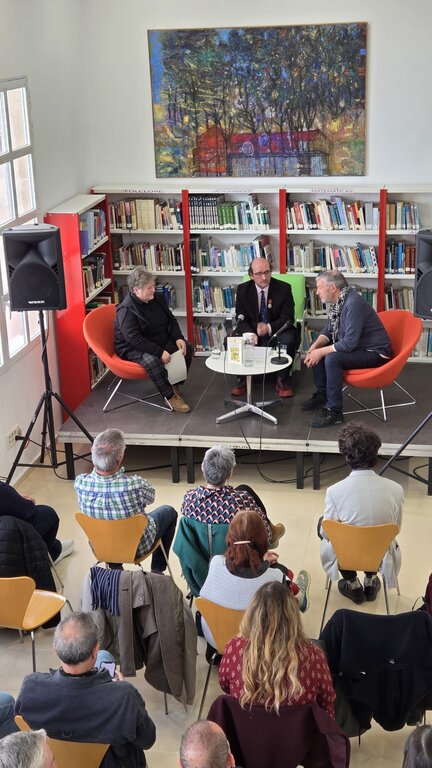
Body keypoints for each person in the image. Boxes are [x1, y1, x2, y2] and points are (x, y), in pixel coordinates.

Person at [15, 612, 156, 768]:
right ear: (94, 650)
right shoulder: (124, 697)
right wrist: (120, 689)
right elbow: (147, 740)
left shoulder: (30, 688)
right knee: (105, 658)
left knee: (105, 657)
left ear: (55, 648)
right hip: (111, 763)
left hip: (57, 762)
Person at [219, 581, 335, 717]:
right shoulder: (313, 656)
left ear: (252, 614)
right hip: (299, 735)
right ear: (293, 617)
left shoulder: (234, 648)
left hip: (247, 733)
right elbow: (327, 703)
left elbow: (224, 685)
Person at [200, 511, 310, 650]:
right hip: (259, 647)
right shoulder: (274, 578)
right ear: (263, 542)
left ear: (229, 539)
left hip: (217, 640)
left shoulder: (215, 562)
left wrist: (261, 560)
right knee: (286, 582)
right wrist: (262, 560)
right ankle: (300, 594)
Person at [319, 422, 403, 604]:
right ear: (375, 454)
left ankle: (352, 583)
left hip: (346, 555)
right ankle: (371, 580)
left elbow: (327, 533)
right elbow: (396, 528)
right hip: (378, 554)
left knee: (325, 525)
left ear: (346, 456)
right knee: (376, 531)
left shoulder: (334, 491)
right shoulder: (396, 490)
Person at [75, 428, 177, 572]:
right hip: (137, 548)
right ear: (119, 459)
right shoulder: (135, 485)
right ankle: (157, 571)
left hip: (102, 548)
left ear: (92, 451)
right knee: (169, 512)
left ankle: (115, 566)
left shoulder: (80, 483)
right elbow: (151, 498)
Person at [301, 270, 392, 427]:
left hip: (375, 352)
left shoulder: (352, 304)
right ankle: (324, 395)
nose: (316, 292)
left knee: (332, 358)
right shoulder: (339, 301)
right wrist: (315, 347)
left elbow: (349, 343)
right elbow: (329, 330)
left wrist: (321, 352)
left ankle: (335, 411)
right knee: (321, 350)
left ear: (332, 288)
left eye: (319, 287)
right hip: (360, 348)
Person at [114, 266, 193, 413]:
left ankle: (174, 384)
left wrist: (178, 337)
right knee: (153, 361)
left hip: (157, 339)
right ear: (136, 290)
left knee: (186, 348)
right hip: (133, 347)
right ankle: (170, 396)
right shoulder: (126, 310)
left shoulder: (158, 298)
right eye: (149, 287)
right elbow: (134, 339)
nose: (153, 290)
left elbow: (171, 320)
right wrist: (159, 352)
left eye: (153, 286)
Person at [180, 445, 283, 546]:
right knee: (244, 490)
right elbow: (264, 534)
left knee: (243, 488)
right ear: (229, 475)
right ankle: (273, 530)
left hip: (200, 557)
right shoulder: (241, 501)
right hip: (234, 557)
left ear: (203, 469)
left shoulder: (189, 498)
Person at [231, 257, 297, 398]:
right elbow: (241, 318)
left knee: (290, 339)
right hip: (252, 331)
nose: (264, 277)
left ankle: (282, 379)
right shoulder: (243, 290)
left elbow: (288, 318)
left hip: (277, 331)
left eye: (267, 272)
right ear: (251, 275)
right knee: (231, 339)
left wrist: (268, 327)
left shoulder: (284, 288)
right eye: (259, 273)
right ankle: (241, 378)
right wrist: (249, 333)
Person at [0, 481, 73, 564]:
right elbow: (26, 510)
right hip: (8, 540)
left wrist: (15, 497)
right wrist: (28, 501)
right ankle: (53, 554)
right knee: (48, 513)